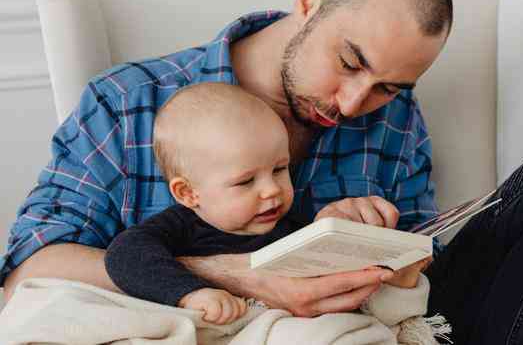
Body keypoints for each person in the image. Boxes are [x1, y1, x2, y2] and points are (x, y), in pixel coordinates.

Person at [2, 0, 523, 344]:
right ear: (308, 3)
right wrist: (245, 276)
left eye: (386, 86)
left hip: (365, 329)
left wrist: (393, 249)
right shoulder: (128, 102)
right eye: (349, 63)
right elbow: (29, 270)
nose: (352, 105)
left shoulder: (395, 117)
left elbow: (413, 278)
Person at [104, 82, 432, 332]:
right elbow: (123, 256)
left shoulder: (292, 227)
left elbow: (348, 295)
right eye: (246, 182)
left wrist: (396, 277)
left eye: (279, 169)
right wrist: (190, 294)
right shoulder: (177, 227)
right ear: (189, 193)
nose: (272, 191)